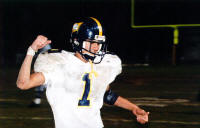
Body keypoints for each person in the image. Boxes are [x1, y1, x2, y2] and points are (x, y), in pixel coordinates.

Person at [16, 17, 149, 128]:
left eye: (98, 43)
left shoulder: (100, 65)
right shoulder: (59, 65)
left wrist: (133, 108)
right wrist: (31, 50)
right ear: (77, 42)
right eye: (91, 43)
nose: (96, 47)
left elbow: (107, 95)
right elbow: (23, 83)